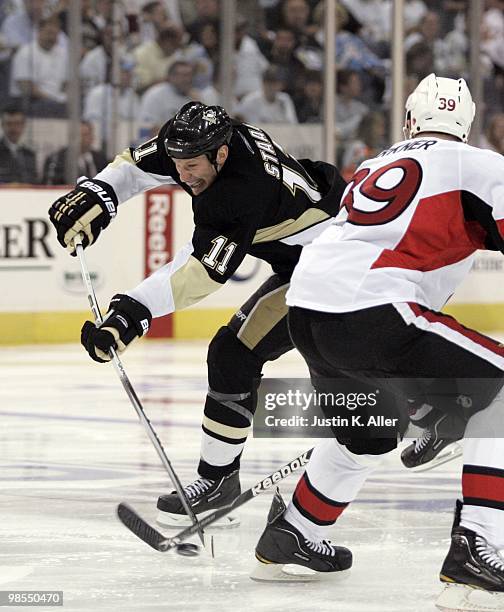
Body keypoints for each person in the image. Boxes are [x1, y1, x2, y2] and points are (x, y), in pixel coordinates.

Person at [251, 74, 504, 611]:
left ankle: (293, 532)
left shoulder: (373, 166)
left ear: (409, 120)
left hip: (310, 311)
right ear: (468, 124)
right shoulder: (481, 166)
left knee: (366, 431)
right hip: (373, 311)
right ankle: (479, 549)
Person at [47, 101, 347, 529]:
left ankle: (439, 412)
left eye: (191, 167)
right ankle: (218, 480)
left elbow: (202, 273)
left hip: (336, 263)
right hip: (305, 259)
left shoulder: (240, 190)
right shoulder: (197, 145)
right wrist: (101, 194)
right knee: (232, 356)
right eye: (177, 165)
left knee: (341, 365)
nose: (183, 177)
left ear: (220, 155)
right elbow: (134, 167)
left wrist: (133, 312)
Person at [42, 121, 108, 185]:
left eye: (87, 134)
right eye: (81, 135)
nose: (84, 139)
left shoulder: (101, 159)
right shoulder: (57, 160)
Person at [0, 104, 37, 183]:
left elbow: (34, 182)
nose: (13, 128)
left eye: (17, 123)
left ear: (23, 125)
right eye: (9, 124)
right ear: (2, 125)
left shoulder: (29, 155)